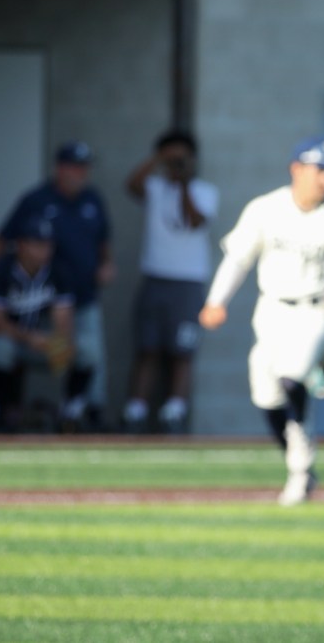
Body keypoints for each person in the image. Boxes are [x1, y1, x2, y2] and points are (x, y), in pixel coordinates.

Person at [199, 136, 324, 506]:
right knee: (266, 398)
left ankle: (298, 470)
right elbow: (238, 259)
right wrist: (216, 300)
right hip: (271, 311)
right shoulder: (265, 209)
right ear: (296, 168)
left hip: (314, 312)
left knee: (292, 380)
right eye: (319, 170)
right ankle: (302, 467)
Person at [0, 141, 114, 430]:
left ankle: (81, 412)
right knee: (8, 349)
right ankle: (2, 412)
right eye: (75, 167)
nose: (80, 173)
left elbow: (105, 246)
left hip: (79, 299)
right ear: (60, 168)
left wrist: (107, 265)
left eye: (85, 167)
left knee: (87, 353)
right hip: (35, 301)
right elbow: (1, 242)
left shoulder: (93, 200)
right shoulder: (36, 200)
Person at [123, 129, 219, 433]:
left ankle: (174, 412)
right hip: (155, 277)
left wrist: (185, 183)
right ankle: (136, 411)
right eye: (172, 157)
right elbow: (131, 185)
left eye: (182, 157)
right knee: (147, 348)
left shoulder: (205, 191)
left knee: (182, 351)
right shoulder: (154, 185)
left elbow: (195, 221)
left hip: (188, 282)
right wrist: (158, 160)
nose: (176, 163)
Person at [0, 215, 85, 432]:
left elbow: (63, 319)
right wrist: (29, 337)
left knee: (84, 350)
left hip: (34, 340)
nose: (44, 251)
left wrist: (60, 343)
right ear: (22, 245)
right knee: (2, 349)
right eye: (37, 244)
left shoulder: (58, 270)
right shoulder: (2, 268)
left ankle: (71, 411)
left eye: (47, 245)